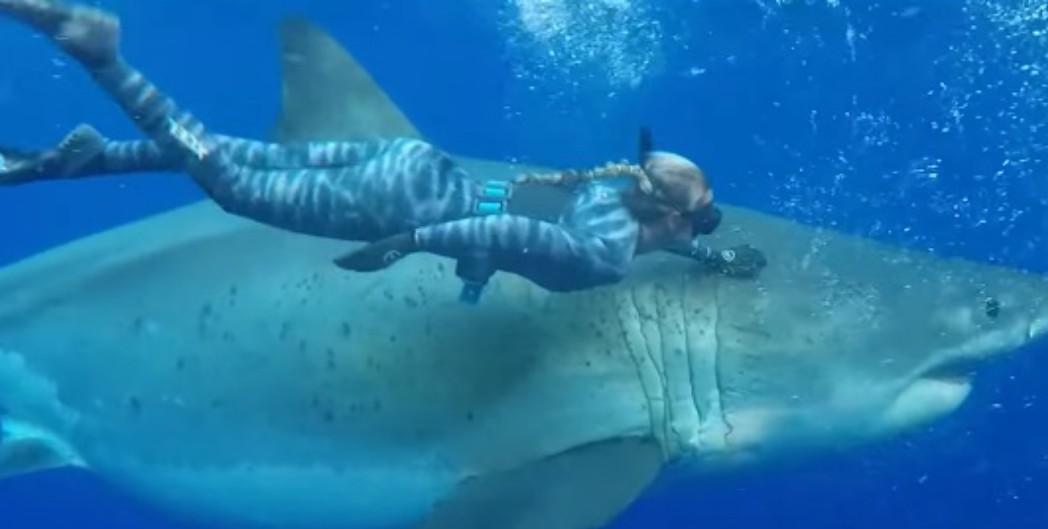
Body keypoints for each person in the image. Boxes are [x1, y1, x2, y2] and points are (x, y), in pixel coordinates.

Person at [0, 0, 766, 300]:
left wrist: (715, 257)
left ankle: (60, 163)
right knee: (229, 183)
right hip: (396, 204)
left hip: (412, 162)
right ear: (671, 218)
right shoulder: (606, 255)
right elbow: (499, 232)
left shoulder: (611, 198)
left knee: (235, 151)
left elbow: (529, 229)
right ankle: (103, 57)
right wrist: (407, 245)